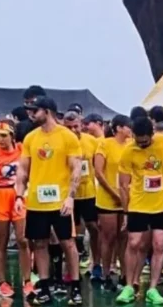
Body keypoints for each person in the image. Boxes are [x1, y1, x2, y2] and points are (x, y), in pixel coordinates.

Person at [15, 96, 83, 306]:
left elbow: (76, 169)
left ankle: (75, 287)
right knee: (39, 243)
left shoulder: (67, 136)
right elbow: (23, 169)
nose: (31, 114)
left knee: (67, 243)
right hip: (37, 201)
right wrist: (19, 195)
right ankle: (44, 286)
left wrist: (70, 197)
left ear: (47, 111)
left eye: (34, 110)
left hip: (60, 201)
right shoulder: (31, 138)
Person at [115, 117, 163, 305]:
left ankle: (152, 288)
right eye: (138, 141)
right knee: (134, 243)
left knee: (159, 244)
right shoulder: (128, 151)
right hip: (138, 205)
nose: (141, 145)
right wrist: (126, 212)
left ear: (152, 134)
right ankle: (129, 286)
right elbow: (123, 185)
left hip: (161, 205)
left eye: (145, 141)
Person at [0, 124, 30, 300]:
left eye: (4, 135)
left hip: (18, 194)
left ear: (12, 135)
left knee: (23, 239)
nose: (0, 139)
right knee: (1, 241)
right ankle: (2, 282)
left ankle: (28, 280)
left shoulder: (22, 149)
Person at [94, 115, 132, 288]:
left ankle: (125, 274)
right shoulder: (105, 144)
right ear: (118, 128)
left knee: (124, 237)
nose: (130, 130)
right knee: (108, 237)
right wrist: (114, 193)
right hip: (108, 198)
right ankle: (106, 273)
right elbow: (98, 172)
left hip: (127, 197)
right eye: (127, 126)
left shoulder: (131, 145)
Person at [63, 111, 100, 273]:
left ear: (81, 125)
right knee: (71, 231)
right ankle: (71, 266)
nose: (73, 130)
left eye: (76, 126)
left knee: (93, 227)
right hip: (67, 194)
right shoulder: (61, 142)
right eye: (69, 127)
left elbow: (98, 166)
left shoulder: (92, 141)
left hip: (88, 191)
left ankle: (96, 262)